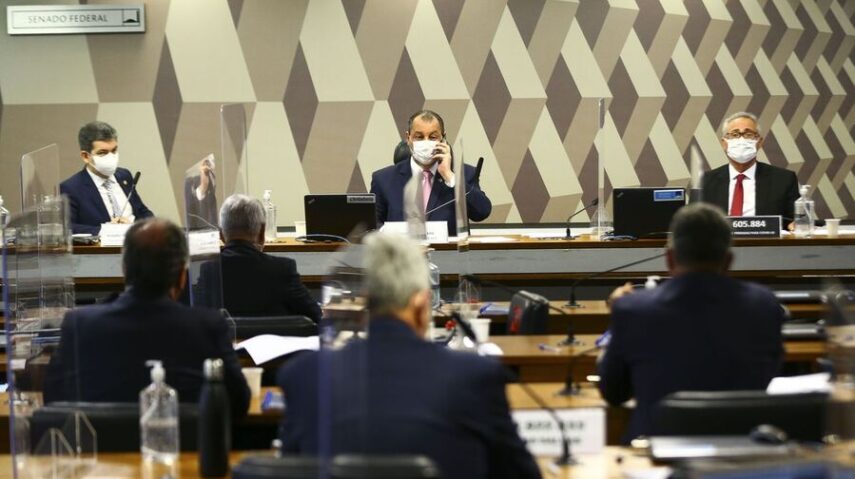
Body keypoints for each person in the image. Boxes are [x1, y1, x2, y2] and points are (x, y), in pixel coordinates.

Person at [277, 232, 540, 479]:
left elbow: (289, 467)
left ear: (366, 302)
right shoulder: (475, 376)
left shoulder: (305, 375)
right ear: (421, 304)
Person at [597, 203, 785, 441]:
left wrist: (614, 325)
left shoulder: (633, 309)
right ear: (728, 261)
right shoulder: (763, 305)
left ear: (669, 259)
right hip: (740, 447)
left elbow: (614, 393)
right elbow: (768, 374)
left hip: (655, 448)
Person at [44, 218, 250, 417]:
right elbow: (239, 402)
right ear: (182, 276)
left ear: (124, 270)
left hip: (100, 441)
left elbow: (53, 399)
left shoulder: (79, 325)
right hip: (187, 441)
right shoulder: (208, 326)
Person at [199, 194, 322, 321]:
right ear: (262, 232)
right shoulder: (283, 269)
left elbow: (199, 319)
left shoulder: (208, 271)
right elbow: (316, 316)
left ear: (221, 234)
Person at [370, 110, 492, 234]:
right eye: (419, 137)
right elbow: (371, 226)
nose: (426, 142)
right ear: (408, 138)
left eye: (433, 137)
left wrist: (449, 176)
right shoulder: (383, 179)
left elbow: (482, 212)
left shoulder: (464, 174)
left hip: (449, 247)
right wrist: (389, 233)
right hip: (401, 246)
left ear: (443, 138)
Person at [701, 112, 799, 223]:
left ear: (759, 142)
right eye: (735, 134)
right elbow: (693, 222)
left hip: (765, 235)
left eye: (748, 134)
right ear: (724, 143)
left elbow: (796, 221)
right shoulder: (705, 181)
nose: (741, 140)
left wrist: (793, 224)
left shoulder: (783, 179)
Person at [60, 121, 153, 235]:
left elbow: (144, 213)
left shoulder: (124, 175)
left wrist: (133, 227)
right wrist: (108, 230)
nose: (111, 157)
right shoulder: (71, 188)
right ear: (85, 156)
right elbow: (68, 228)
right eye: (102, 153)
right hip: (101, 246)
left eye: (114, 150)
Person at [183, 154, 219, 230]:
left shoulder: (213, 176)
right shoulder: (193, 181)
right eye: (208, 161)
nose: (211, 163)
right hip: (201, 228)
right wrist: (204, 184)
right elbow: (199, 195)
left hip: (214, 226)